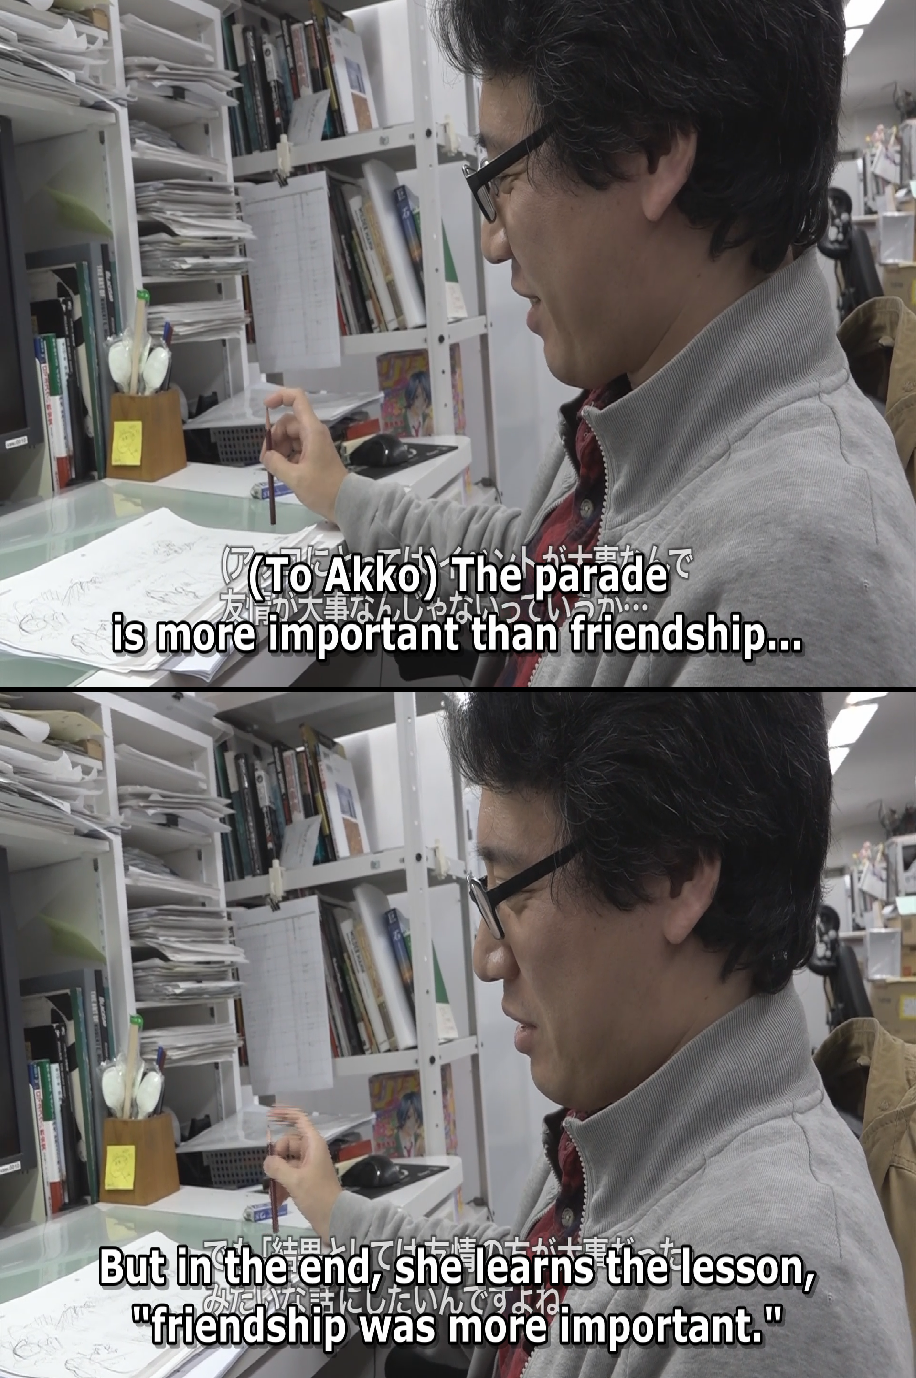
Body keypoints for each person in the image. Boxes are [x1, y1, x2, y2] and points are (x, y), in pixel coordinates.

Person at [259, 0, 916, 688]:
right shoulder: (635, 399)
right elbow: (529, 566)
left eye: (503, 175)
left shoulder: (803, 567)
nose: (491, 242)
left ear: (653, 151)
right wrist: (341, 493)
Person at [263, 692, 914, 1377]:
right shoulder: (616, 1131)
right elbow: (522, 1298)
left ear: (675, 875)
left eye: (510, 890)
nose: (486, 957)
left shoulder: (778, 1284)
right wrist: (333, 1208)